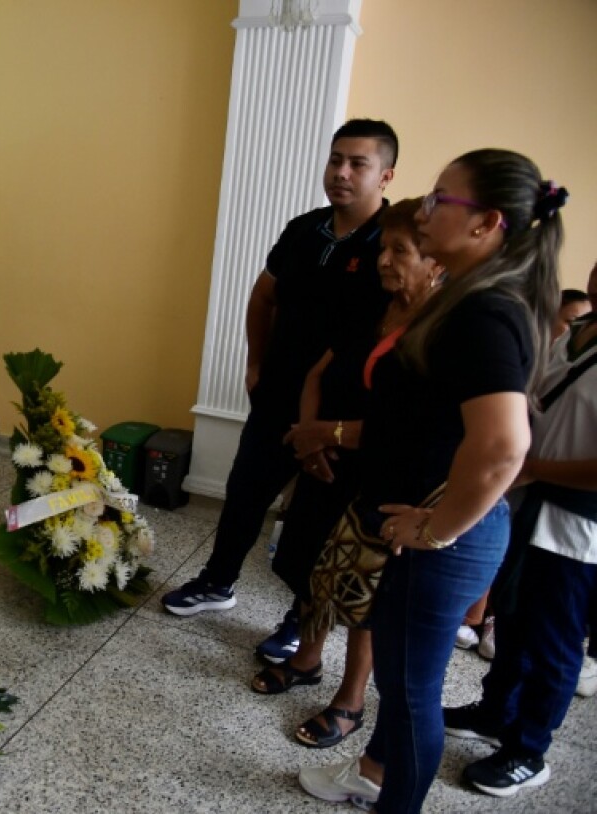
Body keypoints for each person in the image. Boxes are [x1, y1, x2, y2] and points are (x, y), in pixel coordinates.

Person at [298, 150, 564, 814]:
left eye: (442, 199)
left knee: (412, 690)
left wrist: (435, 528)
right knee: (401, 679)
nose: (425, 210)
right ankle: (374, 772)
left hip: (443, 534)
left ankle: (396, 802)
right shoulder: (470, 300)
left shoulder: (485, 313)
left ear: (487, 224)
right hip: (430, 526)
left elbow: (504, 446)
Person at [162, 119, 398, 626]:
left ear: (386, 176)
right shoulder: (303, 228)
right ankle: (217, 581)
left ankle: (300, 619)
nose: (342, 172)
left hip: (340, 410)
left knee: (317, 519)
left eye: (359, 163)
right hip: (278, 391)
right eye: (336, 159)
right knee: (245, 491)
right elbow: (264, 294)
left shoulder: (391, 243)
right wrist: (254, 362)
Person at [250, 199, 443, 754]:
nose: (384, 260)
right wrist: (311, 434)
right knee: (315, 566)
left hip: (384, 474)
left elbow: (406, 426)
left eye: (399, 250)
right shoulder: (373, 308)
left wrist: (326, 435)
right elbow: (318, 371)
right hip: (328, 456)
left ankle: (350, 700)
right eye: (382, 247)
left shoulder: (438, 330)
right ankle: (307, 660)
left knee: (365, 594)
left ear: (435, 261)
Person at [440, 252, 594, 800]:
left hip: (575, 528)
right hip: (526, 504)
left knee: (553, 641)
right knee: (510, 617)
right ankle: (494, 710)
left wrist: (536, 469)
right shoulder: (574, 331)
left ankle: (529, 750)